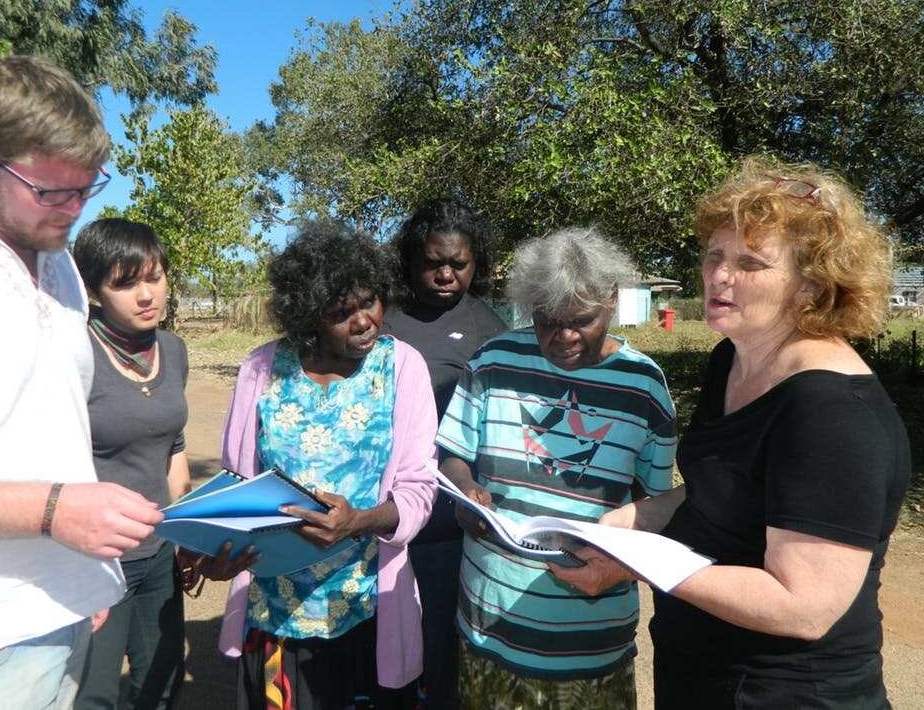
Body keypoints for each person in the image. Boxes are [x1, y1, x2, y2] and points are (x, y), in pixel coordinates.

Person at [552, 158, 911, 708]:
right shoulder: (733, 358)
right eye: (715, 255)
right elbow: (724, 483)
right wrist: (639, 515)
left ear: (811, 284)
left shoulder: (834, 415)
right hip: (702, 677)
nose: (720, 275)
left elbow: (804, 606)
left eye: (751, 262)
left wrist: (641, 558)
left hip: (786, 694)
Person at [0, 56, 163, 708]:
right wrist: (55, 512)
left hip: (62, 609)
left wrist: (81, 574)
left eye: (89, 188)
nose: (77, 210)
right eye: (54, 192)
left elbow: (47, 425)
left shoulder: (58, 263)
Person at [197, 219, 438, 709]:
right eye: (341, 312)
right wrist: (218, 551)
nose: (364, 321)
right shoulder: (262, 368)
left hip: (368, 607)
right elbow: (236, 482)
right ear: (308, 315)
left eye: (369, 302)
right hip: (275, 611)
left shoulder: (402, 366)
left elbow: (418, 488)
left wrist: (360, 522)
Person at [437, 227, 677, 710]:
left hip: (591, 642)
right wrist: (465, 491)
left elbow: (657, 505)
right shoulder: (493, 361)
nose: (563, 337)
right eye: (547, 321)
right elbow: (453, 454)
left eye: (581, 321)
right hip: (490, 626)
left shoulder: (645, 385)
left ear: (612, 300)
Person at [384, 198, 506, 708]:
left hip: (449, 518)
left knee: (439, 641)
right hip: (384, 512)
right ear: (413, 259)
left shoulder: (490, 330)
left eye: (459, 264)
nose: (446, 274)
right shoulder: (383, 321)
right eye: (434, 262)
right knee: (385, 643)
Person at [72, 219, 191, 709]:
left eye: (155, 277)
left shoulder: (174, 350)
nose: (147, 295)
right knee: (93, 692)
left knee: (159, 685)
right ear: (94, 290)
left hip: (160, 552)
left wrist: (187, 536)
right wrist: (78, 570)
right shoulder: (75, 355)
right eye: (125, 283)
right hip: (93, 559)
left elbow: (174, 451)